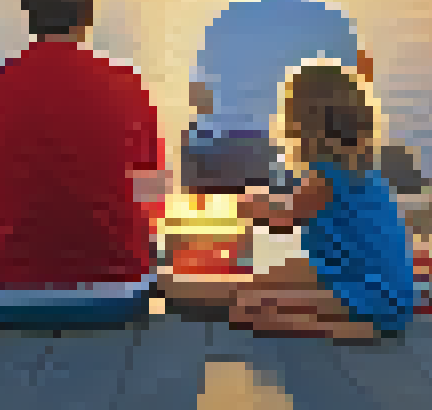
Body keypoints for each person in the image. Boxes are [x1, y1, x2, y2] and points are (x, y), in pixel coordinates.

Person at [0, 0, 168, 327]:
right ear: (89, 15)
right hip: (116, 291)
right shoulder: (126, 85)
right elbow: (153, 196)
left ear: (28, 14)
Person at [159, 62, 414, 340]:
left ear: (303, 126)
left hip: (365, 293)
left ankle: (163, 283)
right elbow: (296, 206)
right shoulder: (363, 174)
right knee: (268, 279)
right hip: (375, 285)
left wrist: (248, 203)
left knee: (247, 297)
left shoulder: (326, 178)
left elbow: (282, 217)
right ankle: (353, 325)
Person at [186, 0, 370, 199]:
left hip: (216, 153)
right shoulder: (335, 22)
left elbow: (197, 97)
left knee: (200, 134)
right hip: (287, 160)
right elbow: (355, 99)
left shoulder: (230, 15)